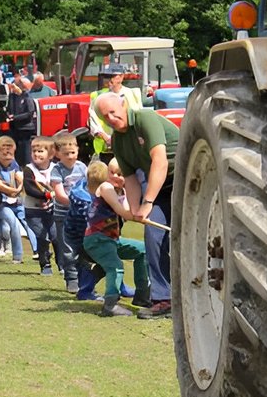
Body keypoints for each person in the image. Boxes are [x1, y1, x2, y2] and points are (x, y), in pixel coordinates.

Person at [94, 91, 178, 318]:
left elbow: (160, 161)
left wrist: (147, 202)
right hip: (157, 185)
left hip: (184, 177)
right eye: (105, 116)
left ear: (123, 105)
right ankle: (163, 299)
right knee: (153, 234)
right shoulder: (119, 141)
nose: (111, 117)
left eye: (113, 111)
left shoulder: (144, 119)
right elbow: (130, 178)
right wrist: (135, 210)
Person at [82, 159, 148, 318]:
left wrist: (138, 213)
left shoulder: (121, 192)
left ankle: (142, 296)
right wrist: (137, 215)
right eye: (112, 172)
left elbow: (128, 209)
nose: (115, 176)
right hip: (97, 240)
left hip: (112, 240)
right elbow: (121, 210)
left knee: (142, 250)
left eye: (121, 174)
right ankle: (110, 305)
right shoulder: (105, 187)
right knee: (115, 267)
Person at [49, 131, 88, 294]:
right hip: (63, 214)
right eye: (66, 154)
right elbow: (59, 194)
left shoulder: (82, 167)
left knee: (83, 247)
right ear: (58, 154)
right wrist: (75, 203)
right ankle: (71, 279)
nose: (70, 157)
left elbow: (87, 187)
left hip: (81, 215)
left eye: (73, 153)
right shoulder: (57, 170)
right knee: (67, 248)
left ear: (78, 150)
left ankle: (84, 279)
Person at [89, 63, 143, 156]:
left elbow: (139, 119)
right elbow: (94, 123)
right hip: (107, 149)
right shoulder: (98, 97)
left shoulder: (133, 94)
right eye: (106, 77)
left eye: (112, 76)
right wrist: (108, 139)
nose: (109, 80)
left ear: (121, 77)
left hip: (131, 146)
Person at [0, 136, 26, 264]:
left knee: (27, 223)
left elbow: (20, 177)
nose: (7, 154)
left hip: (16, 201)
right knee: (13, 223)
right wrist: (12, 191)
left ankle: (38, 252)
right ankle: (18, 256)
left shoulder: (14, 164)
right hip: (1, 205)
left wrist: (20, 187)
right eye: (3, 151)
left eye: (9, 150)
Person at [23, 136, 58, 274]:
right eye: (34, 151)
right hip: (33, 211)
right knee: (43, 237)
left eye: (40, 151)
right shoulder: (29, 169)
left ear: (50, 154)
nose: (36, 154)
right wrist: (47, 195)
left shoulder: (56, 168)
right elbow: (30, 188)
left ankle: (62, 265)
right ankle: (45, 265)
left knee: (56, 236)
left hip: (53, 210)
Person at [5, 75, 38, 168]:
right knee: (17, 150)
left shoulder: (27, 97)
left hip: (25, 128)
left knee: (25, 150)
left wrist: (16, 117)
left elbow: (30, 113)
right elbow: (9, 108)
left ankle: (26, 167)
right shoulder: (12, 97)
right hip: (15, 128)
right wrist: (9, 115)